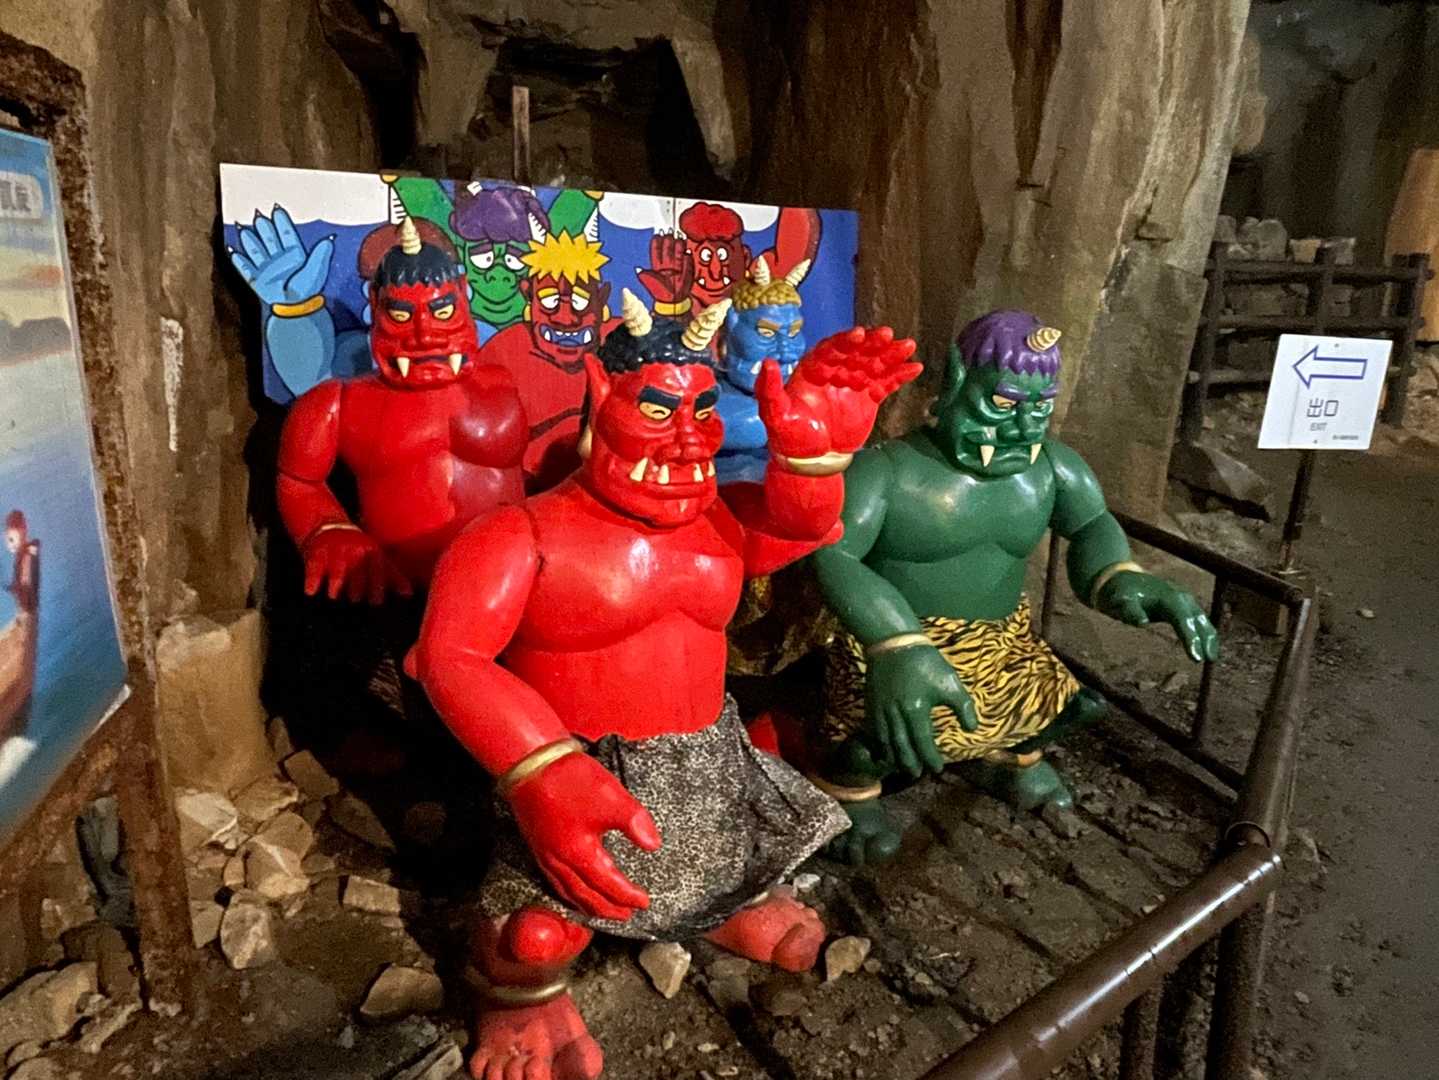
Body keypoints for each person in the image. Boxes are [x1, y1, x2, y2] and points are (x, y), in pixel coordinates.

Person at [407, 291, 920, 1079]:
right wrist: (542, 768)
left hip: (709, 769)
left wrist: (814, 458)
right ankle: (522, 1001)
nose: (687, 437)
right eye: (657, 409)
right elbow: (449, 657)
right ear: (599, 395)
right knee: (534, 940)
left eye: (703, 410)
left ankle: (719, 905)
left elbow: (796, 526)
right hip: (579, 782)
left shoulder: (718, 521)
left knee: (739, 860)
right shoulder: (516, 536)